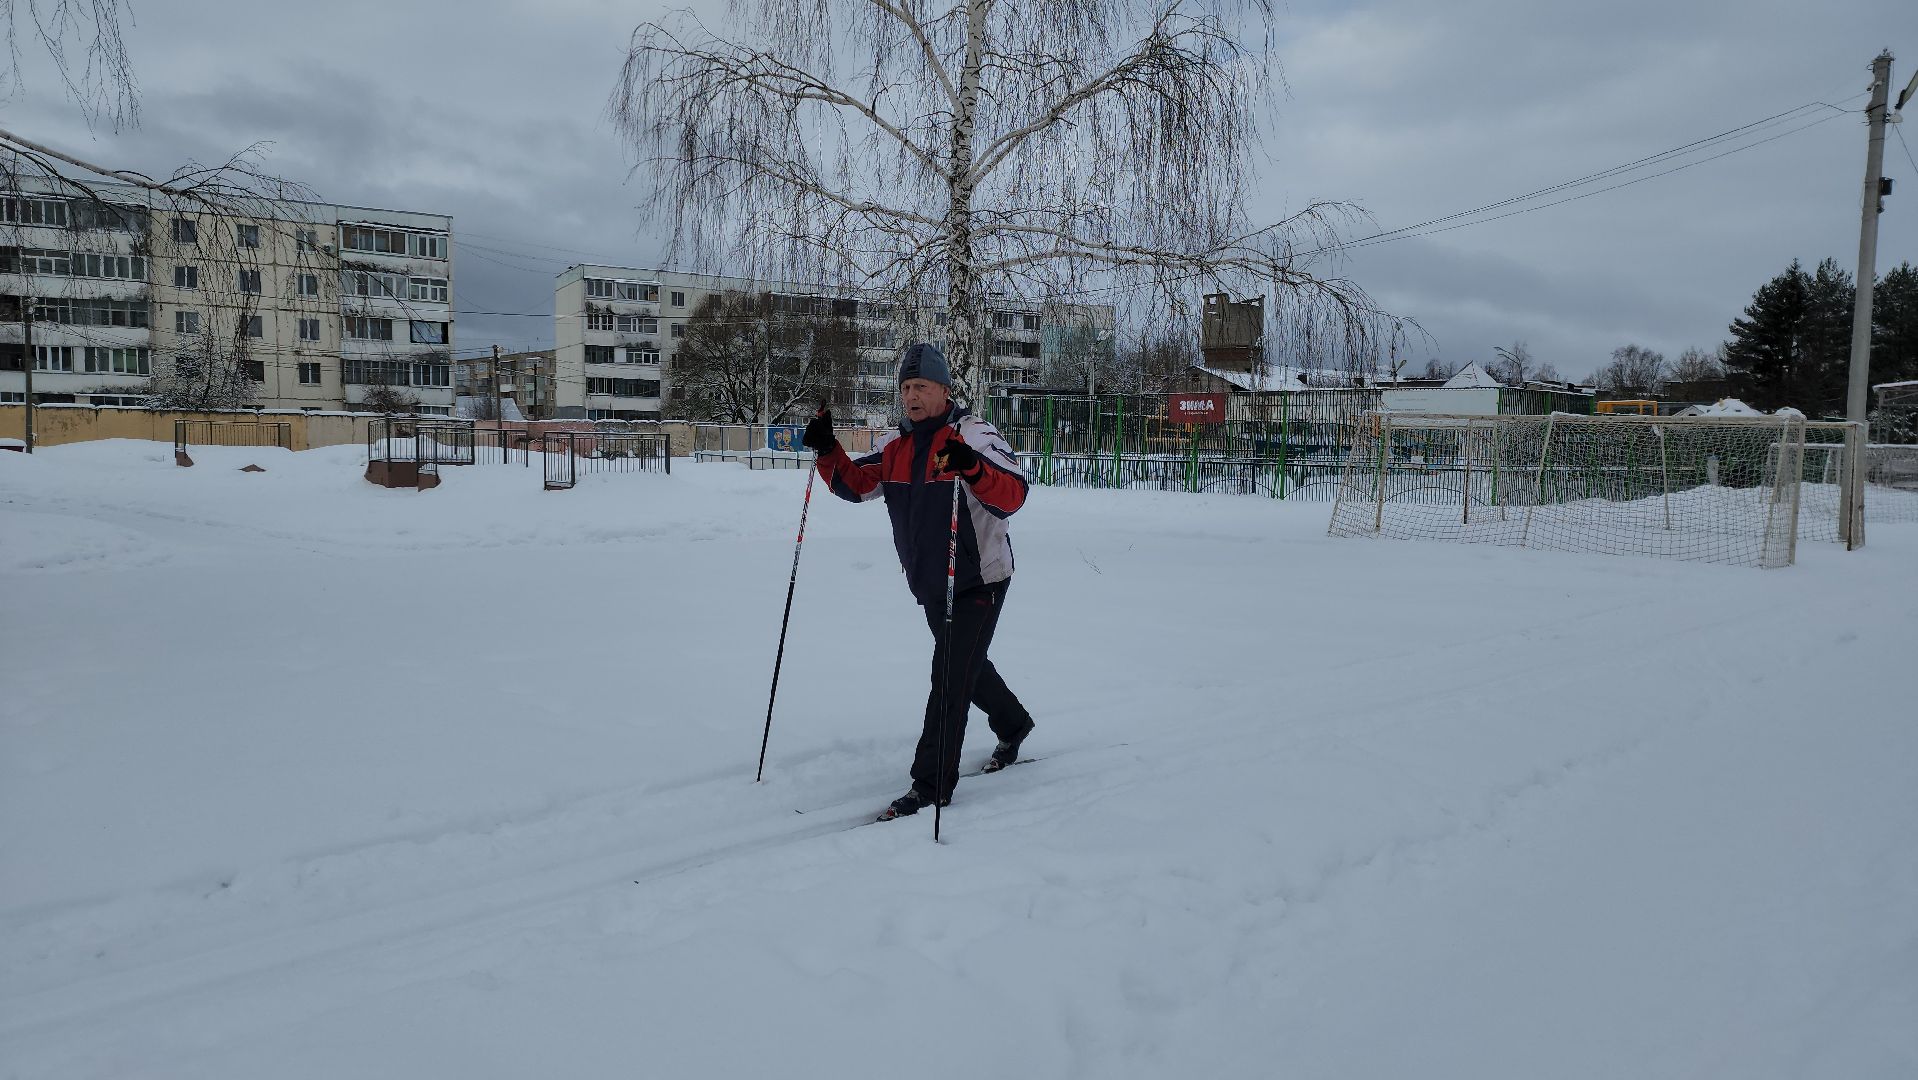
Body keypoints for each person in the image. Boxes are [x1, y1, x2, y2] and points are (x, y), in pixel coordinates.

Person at [803, 342, 1036, 821]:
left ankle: (930, 786)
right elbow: (857, 484)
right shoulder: (898, 448)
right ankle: (1014, 724)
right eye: (906, 386)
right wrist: (828, 448)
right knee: (966, 665)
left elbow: (1013, 495)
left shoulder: (973, 434)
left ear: (944, 390)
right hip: (932, 582)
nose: (911, 394)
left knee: (949, 675)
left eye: (921, 386)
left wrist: (970, 467)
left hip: (979, 579)